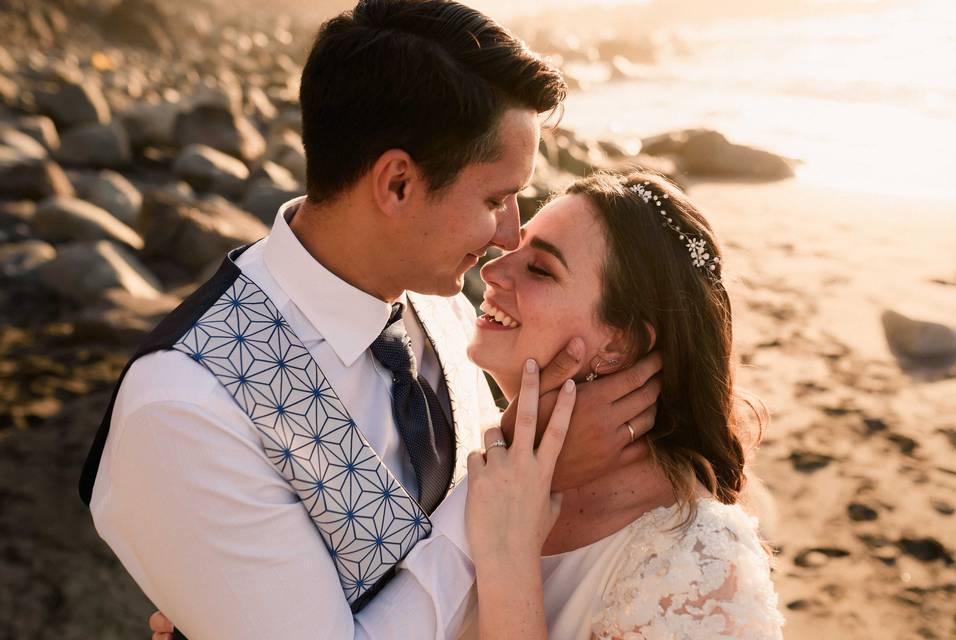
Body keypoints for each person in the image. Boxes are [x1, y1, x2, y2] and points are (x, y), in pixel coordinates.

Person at [80, 2, 661, 639]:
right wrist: (520, 483)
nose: (509, 233)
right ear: (397, 185)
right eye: (495, 199)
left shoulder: (440, 304)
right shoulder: (186, 408)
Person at [461, 171, 784, 638]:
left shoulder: (696, 565)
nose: (491, 271)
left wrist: (508, 557)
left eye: (540, 269)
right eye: (516, 248)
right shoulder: (477, 439)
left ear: (621, 343)